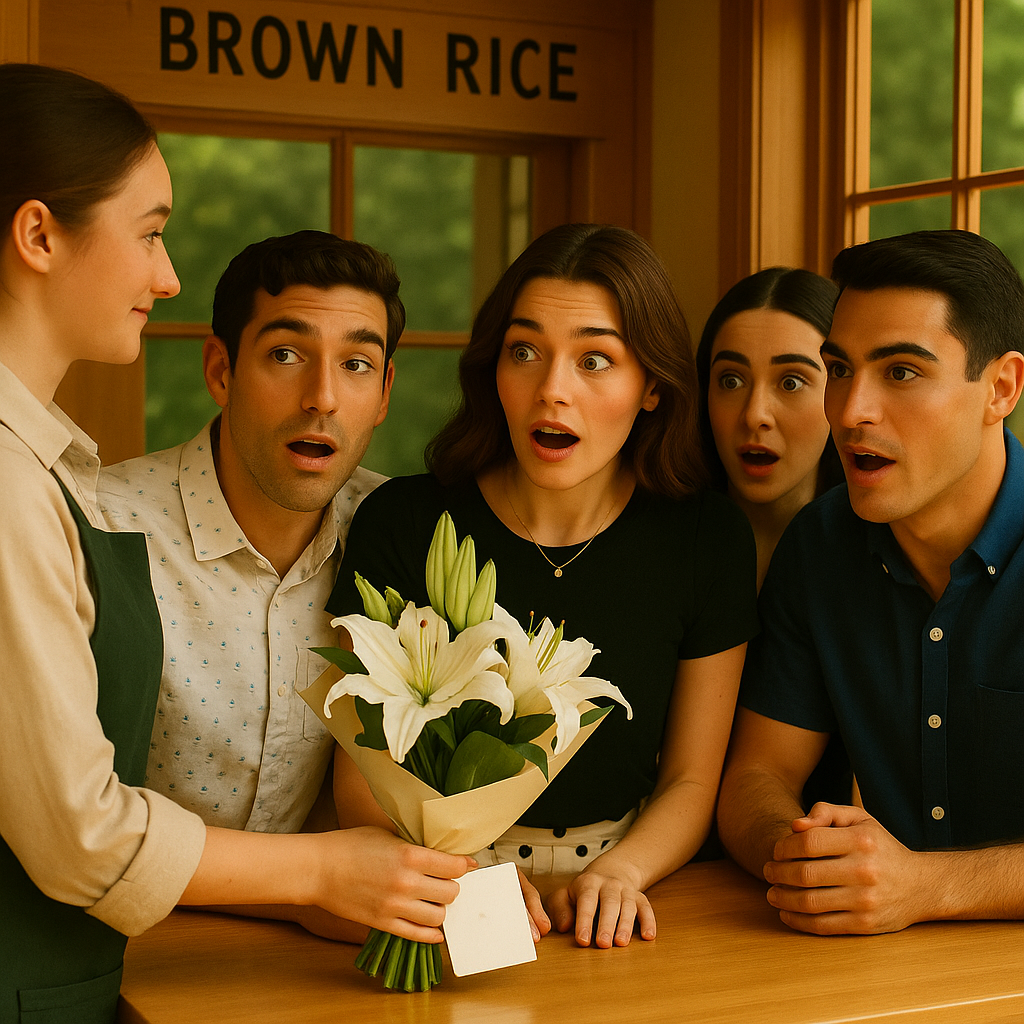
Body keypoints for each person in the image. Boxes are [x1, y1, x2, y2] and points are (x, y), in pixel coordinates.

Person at [0, 64, 471, 1022]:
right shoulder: (37, 489)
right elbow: (80, 833)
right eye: (151, 233)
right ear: (40, 235)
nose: (165, 275)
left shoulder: (403, 536)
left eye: (358, 365)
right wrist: (320, 873)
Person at [327, 223, 759, 949]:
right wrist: (459, 881)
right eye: (524, 351)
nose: (551, 390)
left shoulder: (706, 538)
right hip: (433, 889)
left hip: (629, 892)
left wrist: (622, 877)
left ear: (652, 386)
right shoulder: (405, 520)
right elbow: (359, 778)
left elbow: (691, 778)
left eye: (595, 360)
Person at [717, 229, 1024, 935]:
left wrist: (929, 886)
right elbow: (754, 780)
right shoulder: (821, 546)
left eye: (902, 372)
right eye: (842, 369)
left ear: (999, 389)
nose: (852, 411)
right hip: (885, 976)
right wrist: (804, 856)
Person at [696, 267, 842, 589]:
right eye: (731, 381)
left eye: (791, 382)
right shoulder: (661, 544)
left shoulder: (883, 559)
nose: (755, 415)